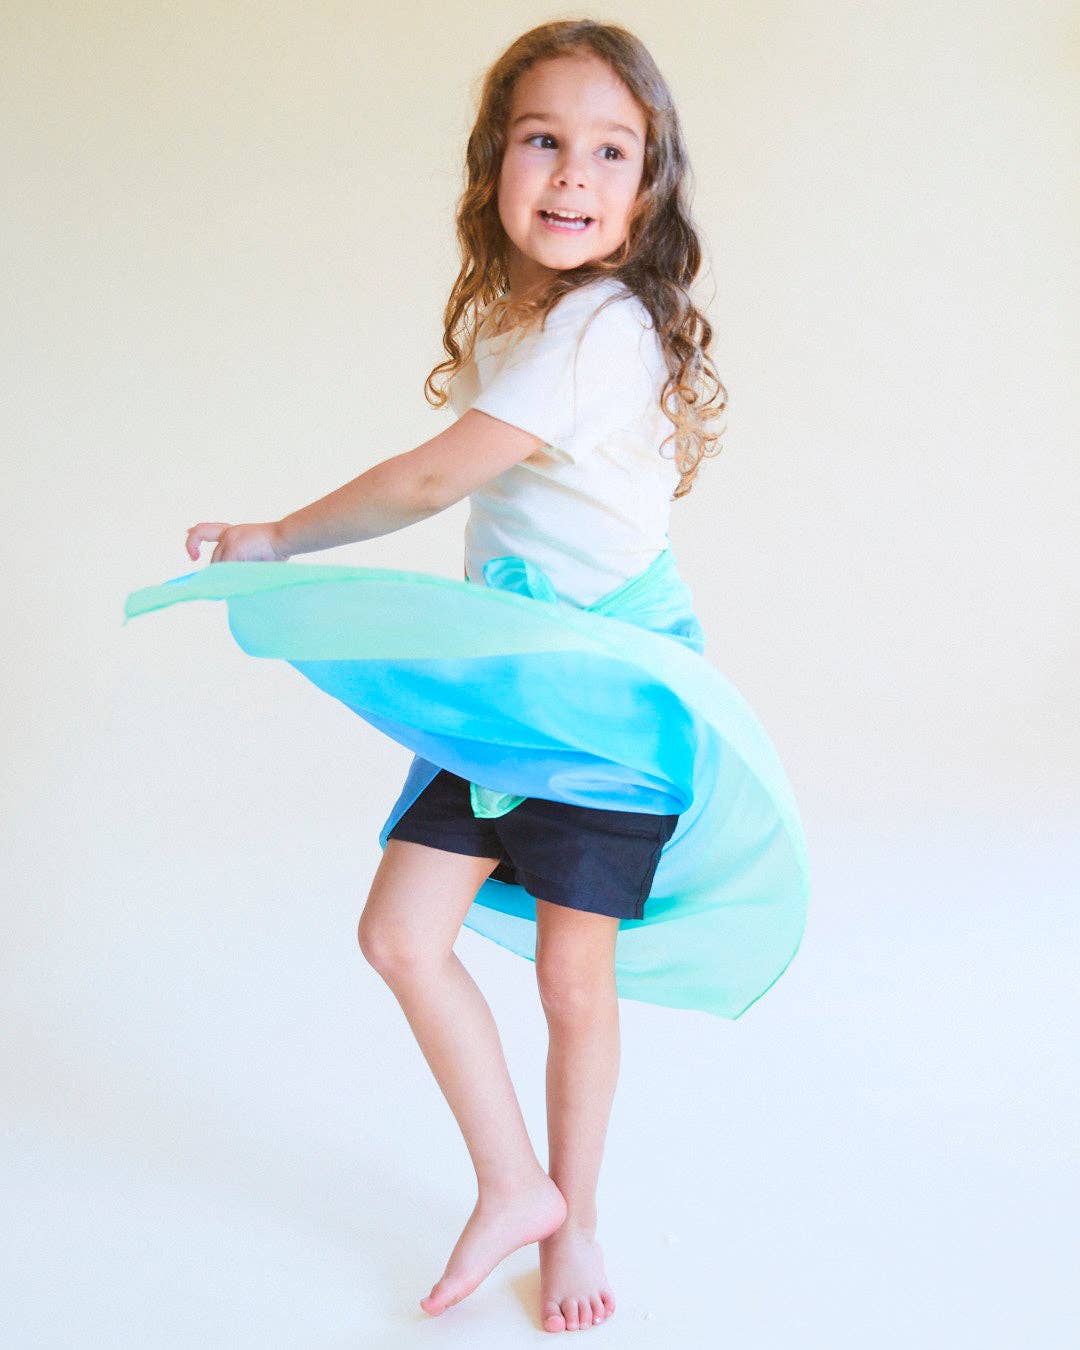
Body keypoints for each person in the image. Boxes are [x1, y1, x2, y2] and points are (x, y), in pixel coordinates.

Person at [124, 19, 810, 1335]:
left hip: (604, 701)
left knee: (571, 979)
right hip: (512, 685)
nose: (570, 173)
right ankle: (514, 1183)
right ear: (495, 161)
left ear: (648, 188)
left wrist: (278, 537)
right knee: (398, 933)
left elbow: (437, 476)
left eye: (609, 150)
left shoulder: (602, 324)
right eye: (542, 139)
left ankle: (581, 1212)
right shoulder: (527, 316)